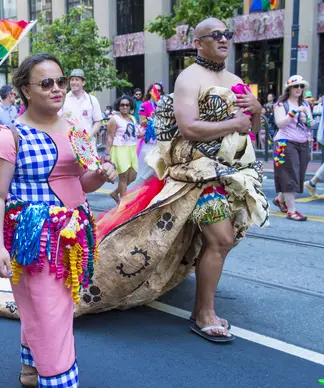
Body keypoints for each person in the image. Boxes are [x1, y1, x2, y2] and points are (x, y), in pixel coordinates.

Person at [97, 18, 268, 343]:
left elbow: (252, 129)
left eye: (227, 35)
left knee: (219, 243)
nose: (224, 40)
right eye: (215, 35)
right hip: (198, 177)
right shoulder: (189, 78)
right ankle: (203, 313)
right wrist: (235, 122)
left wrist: (257, 110)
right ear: (198, 42)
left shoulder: (234, 79)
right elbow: (189, 127)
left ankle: (203, 305)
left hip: (232, 175)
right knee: (220, 240)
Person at [0, 53, 116, 388]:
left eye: (60, 81)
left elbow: (78, 182)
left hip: (73, 236)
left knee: (45, 306)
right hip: (33, 238)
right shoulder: (9, 138)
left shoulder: (74, 127)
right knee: (51, 309)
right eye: (46, 83)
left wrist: (101, 176)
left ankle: (30, 369)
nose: (57, 88)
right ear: (25, 89)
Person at [270, 75, 314, 221]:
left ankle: (279, 199)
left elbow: (311, 123)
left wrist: (307, 119)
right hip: (285, 143)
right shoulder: (281, 104)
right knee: (289, 175)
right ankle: (292, 211)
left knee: (298, 176)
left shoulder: (306, 105)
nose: (299, 89)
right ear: (289, 88)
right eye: (296, 86)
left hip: (303, 143)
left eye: (301, 86)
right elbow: (280, 123)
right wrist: (293, 112)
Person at [106, 95, 140, 202]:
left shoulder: (133, 118)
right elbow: (110, 137)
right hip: (119, 149)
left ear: (130, 106)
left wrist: (150, 130)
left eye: (127, 105)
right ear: (118, 106)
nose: (125, 107)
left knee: (132, 176)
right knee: (123, 178)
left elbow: (136, 134)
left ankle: (115, 193)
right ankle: (123, 205)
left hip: (132, 149)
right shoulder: (114, 119)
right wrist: (107, 154)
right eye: (122, 105)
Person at [61, 69, 103, 151]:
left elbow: (98, 121)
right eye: (72, 80)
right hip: (68, 145)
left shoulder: (92, 100)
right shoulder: (63, 99)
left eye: (77, 80)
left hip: (88, 146)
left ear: (83, 82)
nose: (73, 82)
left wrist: (89, 136)